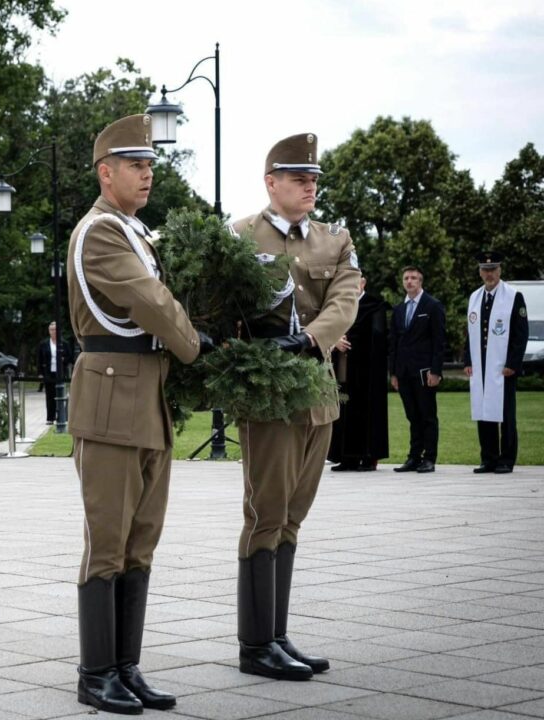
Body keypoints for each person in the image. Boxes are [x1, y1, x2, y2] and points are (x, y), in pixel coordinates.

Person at [68, 114, 209, 714]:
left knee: (141, 540)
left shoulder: (136, 231)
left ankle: (126, 667)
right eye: (135, 165)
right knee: (108, 540)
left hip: (144, 390)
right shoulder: (101, 232)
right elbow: (152, 301)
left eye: (151, 164)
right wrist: (198, 345)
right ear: (106, 173)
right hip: (110, 392)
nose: (148, 173)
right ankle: (95, 672)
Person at [231, 133, 360, 681]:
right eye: (298, 178)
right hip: (268, 399)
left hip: (318, 394)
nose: (310, 187)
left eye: (314, 180)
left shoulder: (334, 239)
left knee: (292, 517)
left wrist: (310, 339)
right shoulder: (239, 235)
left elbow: (346, 297)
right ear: (271, 183)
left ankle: (277, 635)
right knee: (265, 514)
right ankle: (255, 644)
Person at [463, 251, 529, 474]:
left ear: (500, 270)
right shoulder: (474, 297)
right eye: (485, 269)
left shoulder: (513, 296)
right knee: (483, 411)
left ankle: (506, 459)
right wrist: (468, 360)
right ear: (480, 272)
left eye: (493, 269)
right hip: (481, 366)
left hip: (503, 368)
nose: (489, 273)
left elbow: (521, 334)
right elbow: (470, 333)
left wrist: (513, 362)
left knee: (506, 414)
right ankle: (488, 457)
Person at [328, 274, 389, 471]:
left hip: (366, 370)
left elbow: (377, 336)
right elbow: (330, 328)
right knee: (344, 410)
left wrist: (351, 339)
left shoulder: (374, 305)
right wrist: (336, 341)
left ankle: (367, 456)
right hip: (344, 367)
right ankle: (346, 457)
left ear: (363, 283)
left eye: (356, 281)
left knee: (365, 411)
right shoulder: (339, 305)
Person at [388, 266, 445, 473]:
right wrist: (393, 372)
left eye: (413, 278)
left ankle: (429, 458)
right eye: (406, 278)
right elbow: (393, 342)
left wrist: (436, 371)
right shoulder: (398, 309)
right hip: (403, 372)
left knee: (427, 416)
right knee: (412, 416)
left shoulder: (433, 306)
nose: (409, 281)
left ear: (420, 281)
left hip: (425, 372)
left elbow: (439, 342)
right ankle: (414, 457)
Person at [37, 321, 72, 425]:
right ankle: (50, 417)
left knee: (61, 395)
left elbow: (70, 357)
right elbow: (39, 359)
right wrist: (40, 373)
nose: (53, 332)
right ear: (49, 331)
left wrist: (63, 359)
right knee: (50, 395)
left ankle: (61, 416)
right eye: (51, 330)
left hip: (60, 373)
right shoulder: (43, 344)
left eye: (55, 329)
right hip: (48, 372)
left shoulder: (64, 343)